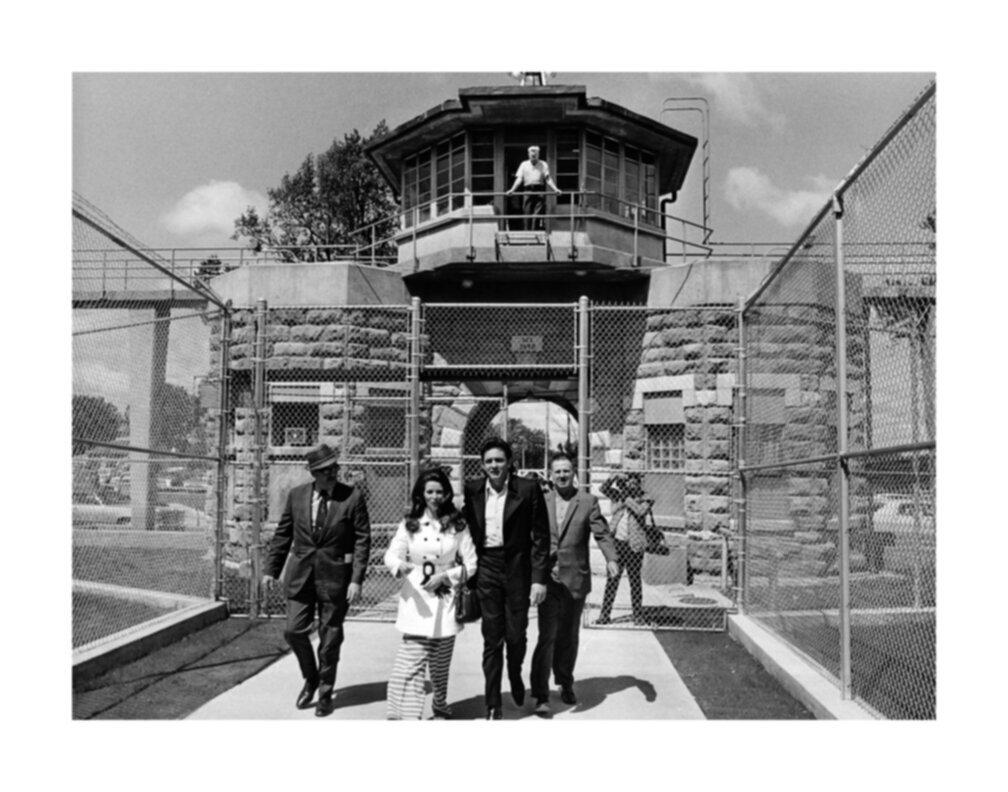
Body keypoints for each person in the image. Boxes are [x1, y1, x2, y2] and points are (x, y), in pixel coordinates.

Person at [262, 444, 372, 717]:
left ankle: (325, 691)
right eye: (325, 471)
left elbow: (362, 541)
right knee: (294, 631)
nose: (332, 473)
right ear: (313, 472)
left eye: (334, 468)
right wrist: (270, 570)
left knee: (330, 637)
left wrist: (356, 580)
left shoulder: (353, 497)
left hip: (335, 579)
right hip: (300, 576)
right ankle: (311, 677)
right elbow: (283, 535)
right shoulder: (297, 496)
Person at [462, 437, 550, 720]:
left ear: (509, 463)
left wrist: (539, 579)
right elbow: (464, 524)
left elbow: (540, 537)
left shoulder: (527, 489)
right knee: (492, 637)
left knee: (516, 633)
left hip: (517, 570)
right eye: (488, 461)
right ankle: (492, 703)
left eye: (499, 460)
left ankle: (515, 673)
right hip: (487, 566)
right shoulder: (473, 489)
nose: (494, 466)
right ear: (482, 465)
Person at [383, 468, 478, 720]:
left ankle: (440, 705)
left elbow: (471, 563)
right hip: (417, 598)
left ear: (447, 493)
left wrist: (446, 576)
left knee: (439, 662)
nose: (434, 496)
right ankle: (402, 714)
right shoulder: (410, 523)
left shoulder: (457, 524)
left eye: (439, 491)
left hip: (446, 598)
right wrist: (399, 565)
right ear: (421, 494)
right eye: (429, 492)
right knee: (411, 660)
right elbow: (391, 554)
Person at [530, 453, 619, 716]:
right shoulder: (541, 500)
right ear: (550, 473)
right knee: (546, 636)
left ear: (573, 473)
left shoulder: (588, 501)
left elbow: (601, 533)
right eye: (557, 471)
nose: (562, 476)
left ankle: (565, 683)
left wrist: (611, 558)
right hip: (547, 579)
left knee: (568, 636)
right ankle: (540, 694)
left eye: (566, 471)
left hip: (575, 580)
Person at [596, 474, 653, 625]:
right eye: (628, 480)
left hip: (634, 545)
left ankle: (638, 615)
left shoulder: (646, 497)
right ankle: (605, 615)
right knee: (612, 580)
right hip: (617, 544)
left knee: (634, 582)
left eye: (634, 480)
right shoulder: (618, 494)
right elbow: (603, 488)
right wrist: (613, 477)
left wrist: (626, 498)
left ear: (639, 482)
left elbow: (641, 511)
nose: (631, 483)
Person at [506, 145, 561, 230]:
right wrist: (512, 190)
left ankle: (535, 232)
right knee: (527, 213)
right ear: (528, 154)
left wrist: (555, 189)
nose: (533, 155)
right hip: (528, 190)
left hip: (539, 190)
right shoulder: (524, 164)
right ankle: (527, 234)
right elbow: (519, 178)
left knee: (537, 214)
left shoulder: (543, 164)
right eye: (532, 154)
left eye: (535, 154)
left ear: (539, 154)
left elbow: (547, 178)